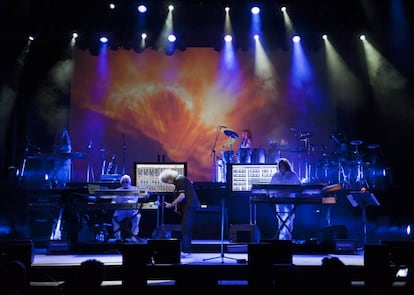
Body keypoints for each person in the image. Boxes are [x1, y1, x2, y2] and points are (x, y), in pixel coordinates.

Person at [159, 169, 200, 256]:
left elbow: (182, 195)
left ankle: (186, 251)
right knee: (186, 228)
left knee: (185, 228)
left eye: (167, 182)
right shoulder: (181, 179)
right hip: (190, 206)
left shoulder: (179, 180)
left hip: (190, 206)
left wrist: (172, 204)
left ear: (169, 178)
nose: (168, 183)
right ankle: (187, 250)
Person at [270, 158, 301, 240]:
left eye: (283, 165)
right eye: (280, 166)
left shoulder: (292, 175)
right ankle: (281, 237)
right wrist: (271, 196)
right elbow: (271, 187)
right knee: (280, 217)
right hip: (279, 200)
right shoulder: (276, 176)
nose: (281, 167)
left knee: (289, 218)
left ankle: (288, 237)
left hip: (289, 200)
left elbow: (298, 186)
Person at [112, 174, 141, 243]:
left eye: (126, 182)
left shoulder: (135, 189)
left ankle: (134, 237)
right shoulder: (117, 190)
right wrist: (113, 204)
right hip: (121, 210)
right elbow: (113, 200)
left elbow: (135, 200)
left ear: (130, 182)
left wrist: (127, 201)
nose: (125, 183)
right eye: (123, 182)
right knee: (114, 218)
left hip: (131, 210)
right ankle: (118, 238)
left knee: (136, 217)